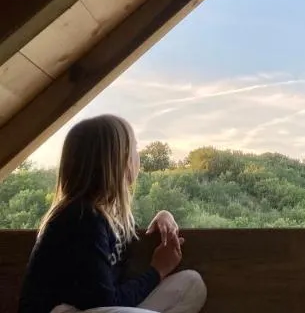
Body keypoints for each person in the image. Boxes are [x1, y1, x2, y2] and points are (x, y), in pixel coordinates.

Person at [18, 115, 207, 313]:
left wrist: (163, 215)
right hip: (68, 310)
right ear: (118, 159)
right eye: (134, 148)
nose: (138, 156)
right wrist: (157, 271)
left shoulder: (113, 216)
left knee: (192, 284)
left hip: (103, 308)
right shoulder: (80, 218)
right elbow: (104, 301)